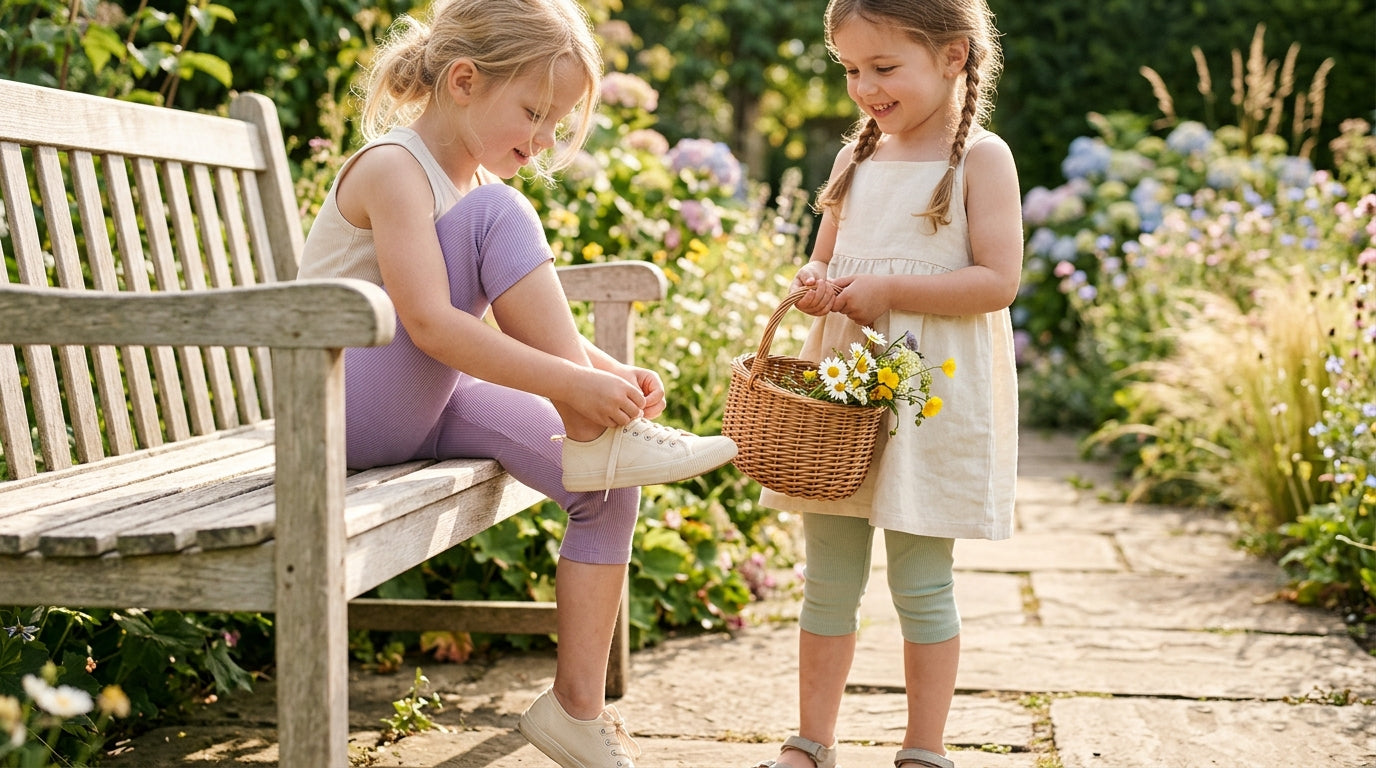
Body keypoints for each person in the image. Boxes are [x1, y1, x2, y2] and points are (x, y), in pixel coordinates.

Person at [296, 1, 737, 766]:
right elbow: (433, 326)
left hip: (425, 400)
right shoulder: (394, 168)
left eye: (557, 124)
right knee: (503, 210)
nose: (543, 141)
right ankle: (596, 425)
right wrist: (574, 381)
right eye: (534, 113)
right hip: (341, 409)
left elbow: (490, 334)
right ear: (463, 80)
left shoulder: (465, 188)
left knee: (602, 488)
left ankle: (575, 712)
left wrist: (606, 375)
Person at [749, 1, 1021, 767]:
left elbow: (998, 280)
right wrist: (814, 281)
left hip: (928, 396)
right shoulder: (854, 160)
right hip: (843, 393)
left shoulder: (983, 159)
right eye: (851, 71)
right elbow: (824, 259)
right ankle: (811, 741)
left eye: (883, 67)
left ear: (953, 57)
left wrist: (890, 294)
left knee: (923, 581)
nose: (865, 87)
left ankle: (924, 746)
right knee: (827, 576)